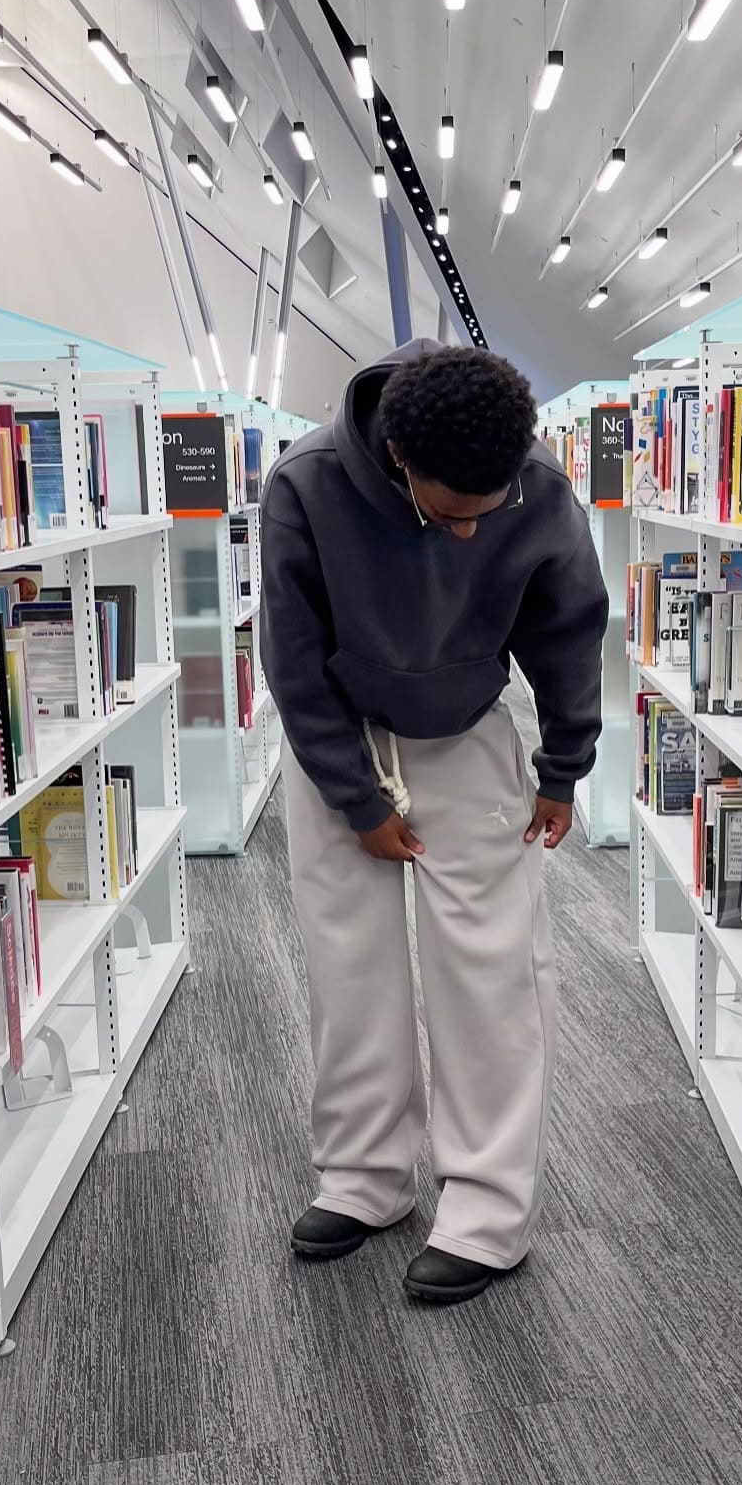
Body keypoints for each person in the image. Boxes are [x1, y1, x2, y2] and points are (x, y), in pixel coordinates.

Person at [261, 340, 608, 1305]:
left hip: (466, 734)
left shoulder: (535, 484)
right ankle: (363, 1178)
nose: (467, 535)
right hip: (336, 739)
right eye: (446, 514)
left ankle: (488, 1213)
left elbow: (566, 627)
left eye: (485, 514)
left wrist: (564, 765)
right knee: (348, 966)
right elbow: (290, 655)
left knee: (492, 971)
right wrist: (356, 797)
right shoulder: (304, 483)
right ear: (397, 458)